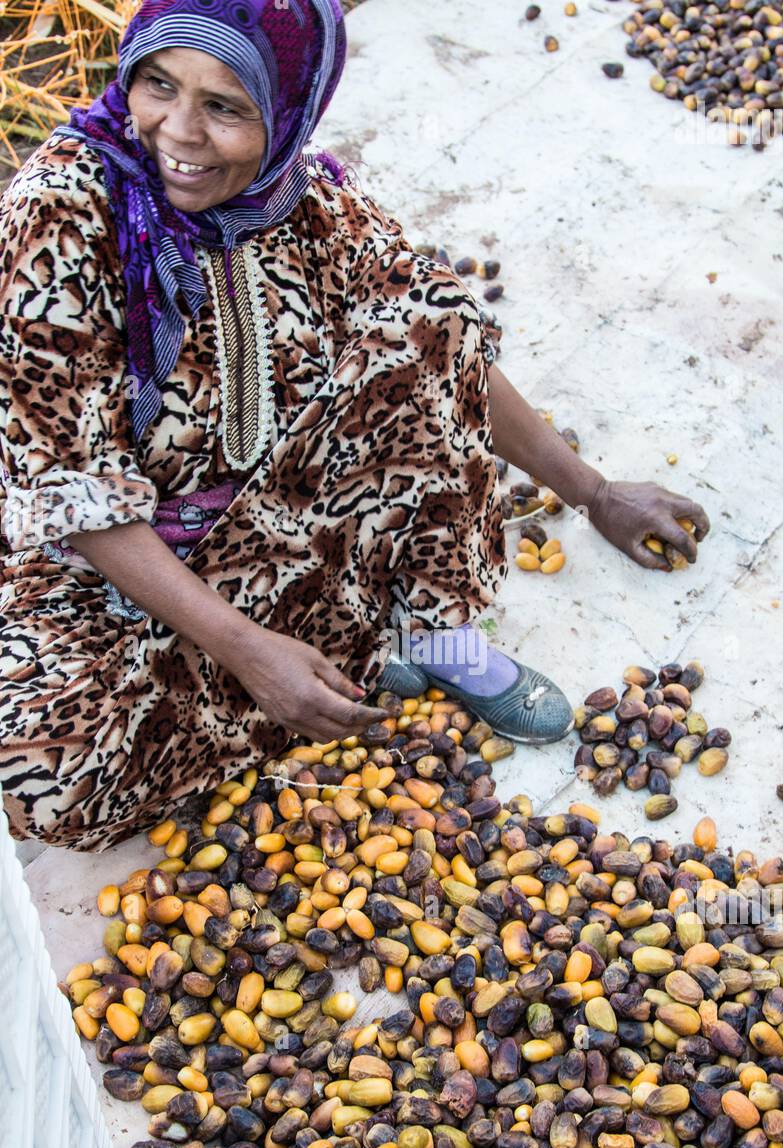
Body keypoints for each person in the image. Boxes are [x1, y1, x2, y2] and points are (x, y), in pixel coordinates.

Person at [0, 0, 709, 851]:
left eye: (226, 106)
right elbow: (68, 490)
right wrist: (246, 649)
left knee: (417, 323)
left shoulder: (308, 200)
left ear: (290, 107)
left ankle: (417, 632)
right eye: (158, 84)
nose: (178, 133)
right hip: (122, 556)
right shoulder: (61, 212)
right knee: (52, 779)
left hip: (283, 514)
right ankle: (319, 644)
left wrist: (594, 493)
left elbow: (450, 347)